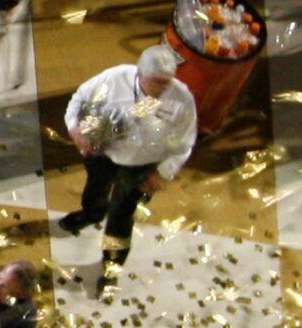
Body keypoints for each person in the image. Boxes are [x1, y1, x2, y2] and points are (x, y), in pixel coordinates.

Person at [59, 44, 199, 294]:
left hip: (140, 167)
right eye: (157, 81)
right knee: (95, 187)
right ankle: (91, 214)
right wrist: (74, 128)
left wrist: (162, 172)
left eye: (167, 82)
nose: (163, 87)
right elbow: (79, 98)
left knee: (121, 217)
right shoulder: (115, 78)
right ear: (140, 73)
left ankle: (111, 268)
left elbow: (186, 142)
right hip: (103, 154)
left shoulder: (182, 99)